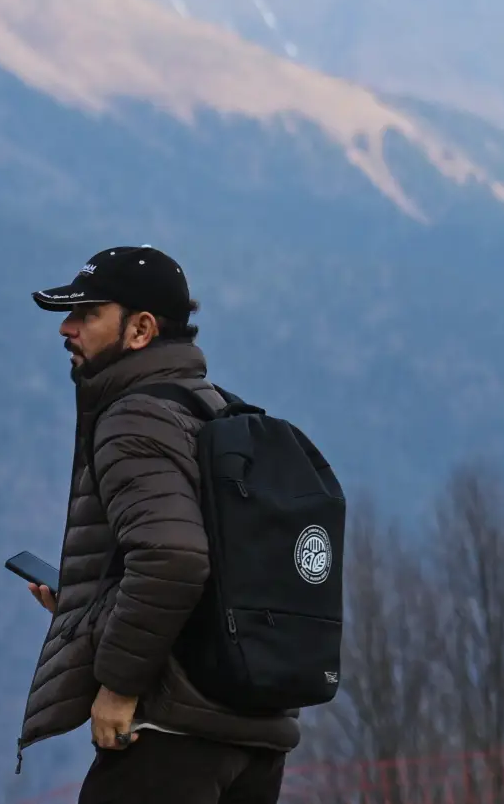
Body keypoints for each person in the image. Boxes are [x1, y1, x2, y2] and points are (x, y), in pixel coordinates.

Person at [16, 245, 297, 804]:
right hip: (253, 735)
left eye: (88, 314)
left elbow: (174, 558)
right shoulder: (215, 410)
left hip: (173, 739)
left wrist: (119, 687)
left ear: (141, 329)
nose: (66, 329)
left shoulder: (134, 417)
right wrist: (94, 608)